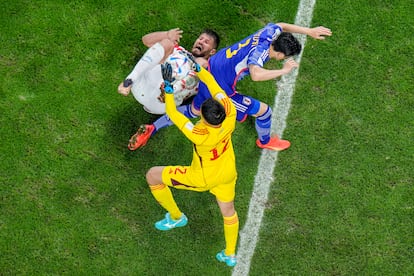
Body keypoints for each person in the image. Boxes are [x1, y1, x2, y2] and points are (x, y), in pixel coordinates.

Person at [128, 22, 332, 151]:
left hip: (212, 68)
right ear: (280, 55)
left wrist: (309, 31)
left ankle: (152, 128)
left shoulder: (270, 32)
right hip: (220, 88)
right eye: (283, 58)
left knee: (194, 109)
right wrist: (283, 71)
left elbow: (281, 24)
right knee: (264, 112)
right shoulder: (260, 55)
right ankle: (265, 141)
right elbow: (256, 74)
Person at [145, 59, 239, 266]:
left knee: (152, 175)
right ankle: (230, 253)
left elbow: (173, 114)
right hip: (227, 172)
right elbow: (215, 87)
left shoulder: (199, 134)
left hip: (203, 178)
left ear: (205, 120)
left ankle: (176, 216)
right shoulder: (230, 112)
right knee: (228, 212)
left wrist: (168, 90)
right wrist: (200, 70)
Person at [117, 28, 220, 149]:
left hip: (162, 103)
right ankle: (130, 80)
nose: (201, 42)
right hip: (142, 85)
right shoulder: (179, 50)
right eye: (200, 38)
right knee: (167, 43)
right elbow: (145, 40)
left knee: (201, 65)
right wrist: (166, 34)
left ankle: (170, 90)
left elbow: (214, 88)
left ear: (212, 51)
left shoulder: (205, 72)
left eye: (206, 42)